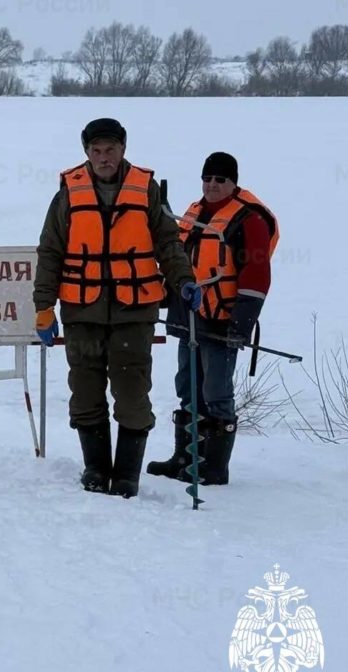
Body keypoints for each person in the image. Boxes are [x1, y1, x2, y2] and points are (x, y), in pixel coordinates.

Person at [33, 117, 198, 498]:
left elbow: (168, 244)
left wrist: (184, 280)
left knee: (132, 394)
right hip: (81, 312)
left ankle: (126, 475)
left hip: (133, 313)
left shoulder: (145, 190)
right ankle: (95, 469)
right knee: (86, 393)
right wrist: (44, 307)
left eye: (110, 149)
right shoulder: (69, 194)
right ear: (86, 153)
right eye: (96, 151)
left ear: (123, 149)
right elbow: (50, 253)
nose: (103, 157)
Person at [147, 152, 278, 485]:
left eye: (220, 180)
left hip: (223, 321)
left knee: (216, 392)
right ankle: (185, 458)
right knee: (188, 387)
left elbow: (257, 273)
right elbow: (176, 256)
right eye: (208, 179)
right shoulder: (194, 213)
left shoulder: (248, 220)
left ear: (233, 183)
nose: (212, 185)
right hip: (189, 317)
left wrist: (241, 324)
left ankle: (215, 467)